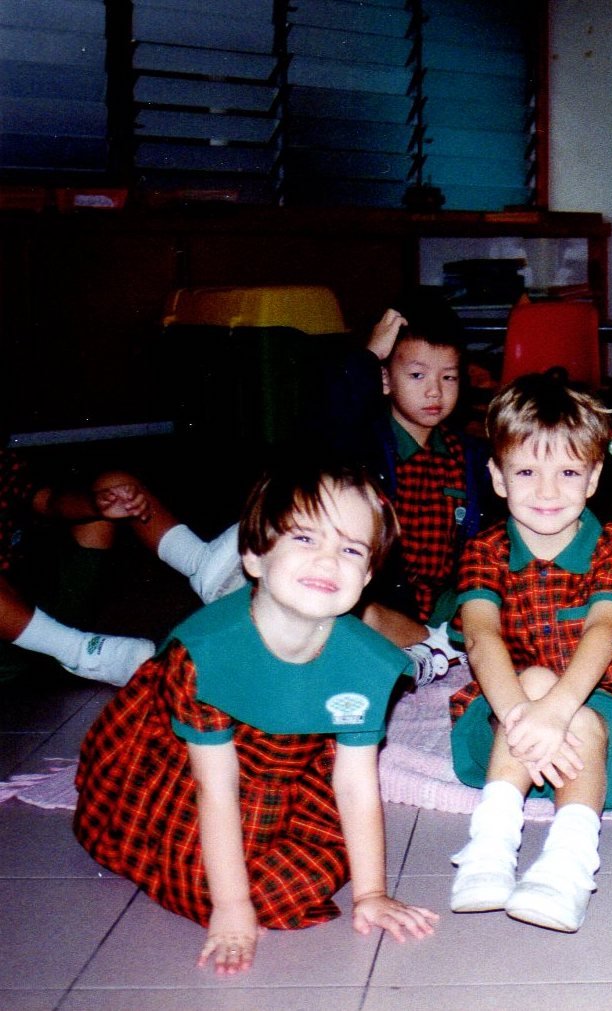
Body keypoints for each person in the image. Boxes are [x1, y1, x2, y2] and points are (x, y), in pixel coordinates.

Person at [73, 460, 439, 974]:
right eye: (306, 539)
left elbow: (356, 784)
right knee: (224, 887)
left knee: (307, 876)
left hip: (289, 760)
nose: (329, 561)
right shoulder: (204, 655)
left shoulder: (368, 661)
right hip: (183, 764)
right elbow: (215, 789)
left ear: (369, 575)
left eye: (351, 549)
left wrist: (372, 893)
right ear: (254, 556)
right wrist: (231, 909)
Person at [93, 297, 492, 685]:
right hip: (362, 595)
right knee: (322, 626)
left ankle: (426, 647)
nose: (435, 392)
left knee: (476, 617)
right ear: (385, 380)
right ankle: (180, 663)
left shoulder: (466, 455)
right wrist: (366, 359)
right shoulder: (365, 442)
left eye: (449, 376)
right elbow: (327, 422)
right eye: (418, 375)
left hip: (430, 604)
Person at [446, 371, 612, 932]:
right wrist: (526, 716)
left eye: (568, 472)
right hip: (504, 726)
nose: (547, 492)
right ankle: (491, 846)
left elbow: (602, 630)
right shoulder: (485, 549)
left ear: (594, 478)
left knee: (557, 689)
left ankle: (569, 863)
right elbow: (481, 636)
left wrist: (554, 712)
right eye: (526, 472)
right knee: (538, 677)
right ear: (497, 477)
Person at [0, 445, 154, 687]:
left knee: (105, 502)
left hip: (26, 622)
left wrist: (97, 504)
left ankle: (201, 566)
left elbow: (49, 501)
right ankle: (77, 651)